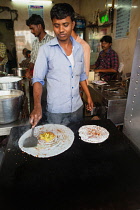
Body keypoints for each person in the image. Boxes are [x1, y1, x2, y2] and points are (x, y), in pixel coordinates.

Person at [30, 3, 94, 127]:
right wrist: (37, 106)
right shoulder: (45, 50)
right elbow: (37, 79)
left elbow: (81, 75)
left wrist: (88, 96)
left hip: (77, 107)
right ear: (53, 25)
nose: (61, 30)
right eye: (56, 25)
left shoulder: (79, 48)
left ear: (73, 24)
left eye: (65, 25)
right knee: (58, 142)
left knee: (76, 141)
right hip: (56, 111)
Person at [25, 14, 53, 78]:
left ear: (39, 26)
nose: (31, 31)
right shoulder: (35, 43)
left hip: (50, 78)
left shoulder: (52, 41)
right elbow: (33, 60)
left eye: (32, 28)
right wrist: (29, 70)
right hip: (38, 77)